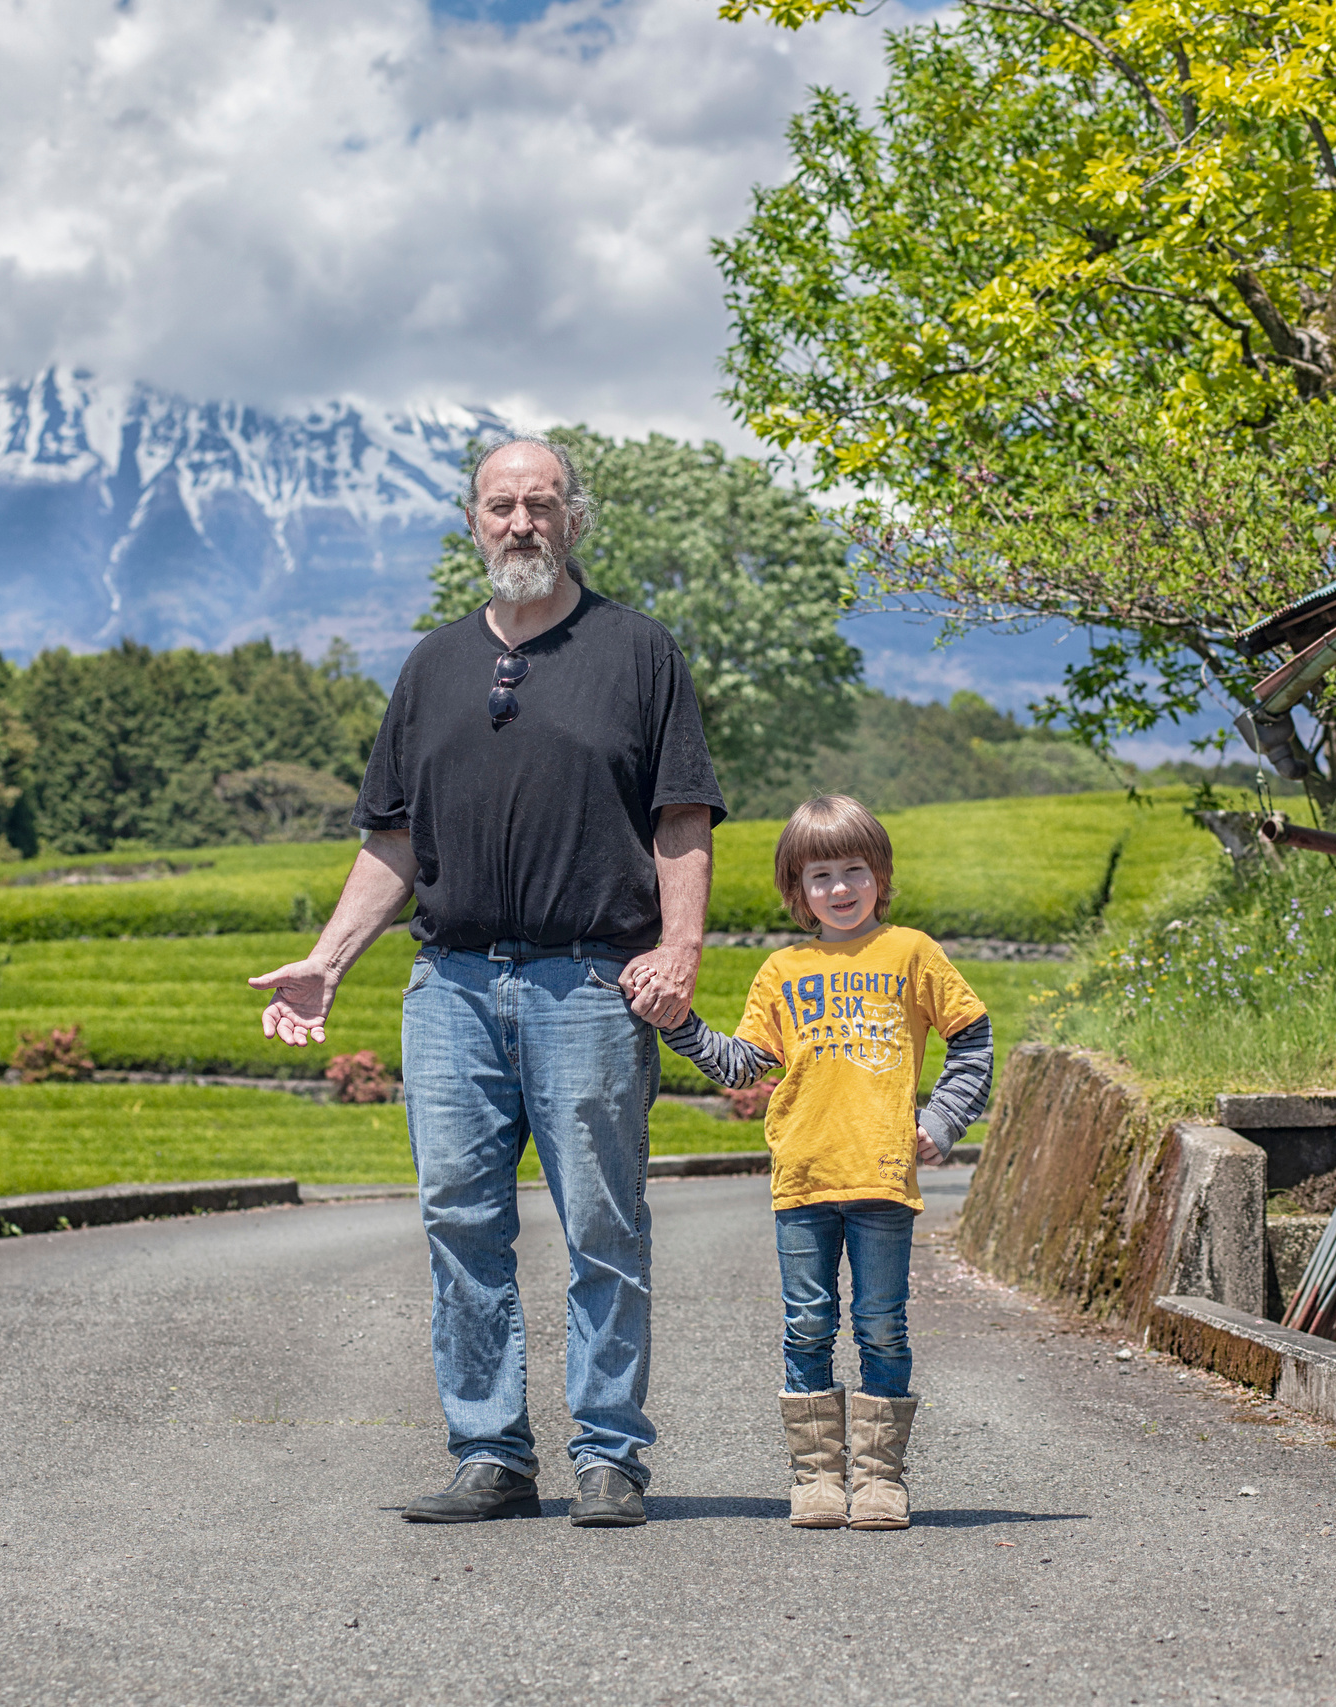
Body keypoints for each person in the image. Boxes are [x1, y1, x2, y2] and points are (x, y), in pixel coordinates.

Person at [248, 433, 723, 1529]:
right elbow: (392, 843)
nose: (521, 523)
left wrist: (680, 949)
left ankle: (608, 1456)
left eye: (541, 504)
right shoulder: (430, 667)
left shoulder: (638, 654)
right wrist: (327, 963)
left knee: (604, 1225)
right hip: (450, 988)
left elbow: (681, 819)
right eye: (501, 505)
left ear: (573, 520)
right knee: (459, 1224)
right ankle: (491, 1456)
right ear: (472, 523)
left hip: (588, 986)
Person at [657, 794, 994, 1530]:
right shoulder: (782, 968)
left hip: (882, 1177)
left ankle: (879, 1479)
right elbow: (744, 1063)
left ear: (881, 874)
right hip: (803, 1179)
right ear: (796, 891)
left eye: (853, 871)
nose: (840, 889)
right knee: (807, 1325)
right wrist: (680, 1026)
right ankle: (815, 1478)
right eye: (820, 876)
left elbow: (973, 1038)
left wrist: (941, 1118)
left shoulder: (911, 952)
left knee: (882, 1325)